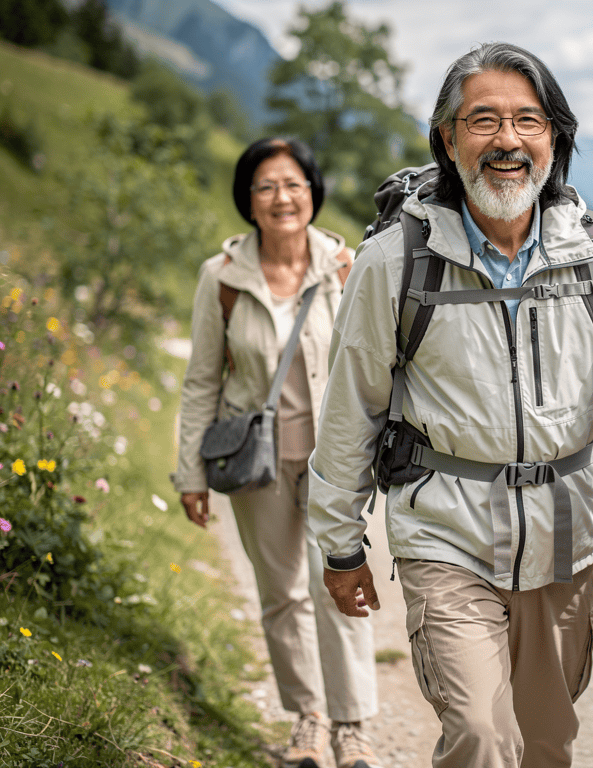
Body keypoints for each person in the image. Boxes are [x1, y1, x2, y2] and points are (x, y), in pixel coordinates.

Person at [307, 42, 593, 768]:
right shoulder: (395, 262)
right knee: (482, 737)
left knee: (546, 741)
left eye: (529, 121)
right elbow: (350, 406)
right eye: (483, 121)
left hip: (566, 538)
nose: (508, 140)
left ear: (555, 139)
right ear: (448, 141)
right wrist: (339, 542)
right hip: (444, 535)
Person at [172, 137, 383, 768]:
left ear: (313, 192)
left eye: (292, 184)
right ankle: (308, 719)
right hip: (254, 462)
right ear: (248, 200)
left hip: (334, 462)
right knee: (281, 595)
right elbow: (202, 379)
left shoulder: (347, 268)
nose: (281, 198)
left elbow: (375, 364)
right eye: (266, 187)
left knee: (337, 587)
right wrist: (191, 472)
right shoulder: (223, 278)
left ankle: (352, 728)